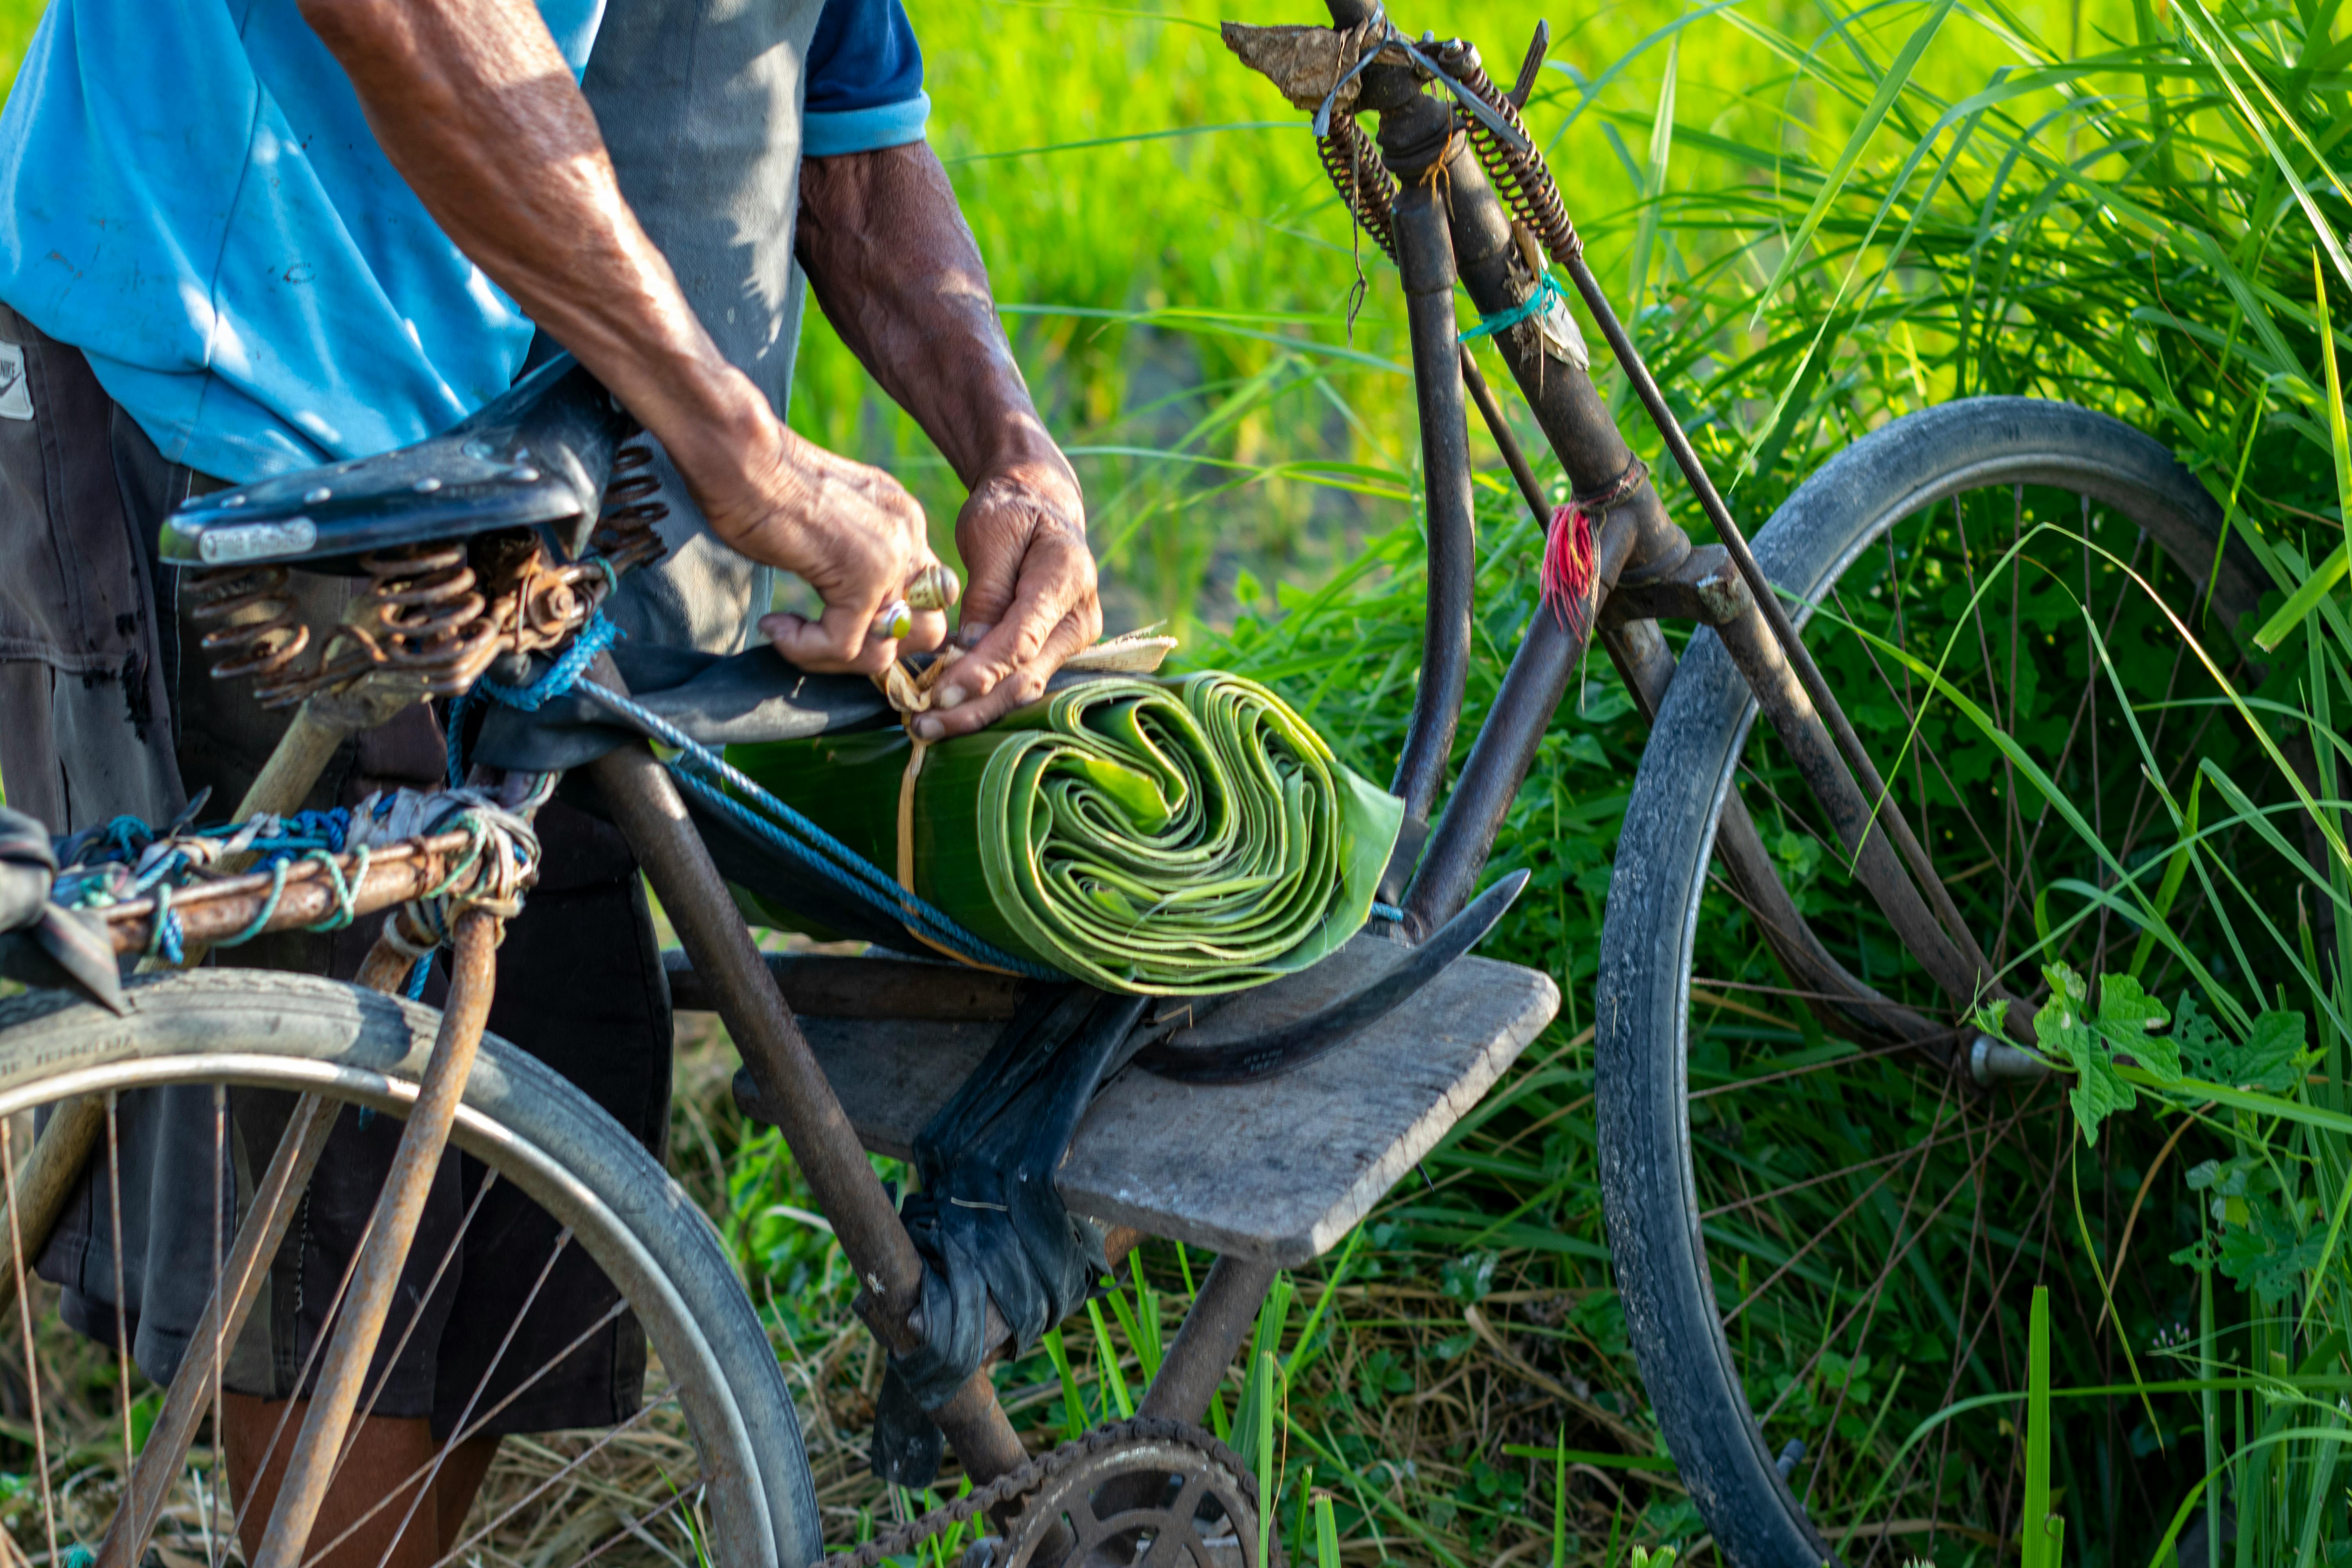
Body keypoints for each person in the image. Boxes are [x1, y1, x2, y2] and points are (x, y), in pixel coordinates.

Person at [0, 0, 1102, 1563]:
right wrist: (749, 452)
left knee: (519, 1118)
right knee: (343, 1196)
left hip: (553, 477)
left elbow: (842, 113)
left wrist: (1013, 445)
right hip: (246, 398)